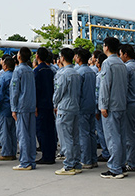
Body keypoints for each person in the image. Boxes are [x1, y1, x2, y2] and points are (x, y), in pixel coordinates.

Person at [98, 36, 128, 180]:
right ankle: (121, 165)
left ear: (107, 47)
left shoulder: (107, 63)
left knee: (112, 137)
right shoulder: (122, 63)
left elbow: (105, 85)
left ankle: (115, 168)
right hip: (121, 104)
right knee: (120, 136)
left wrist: (103, 105)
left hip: (111, 105)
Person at [53, 47, 82, 175]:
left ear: (62, 58)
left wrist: (54, 103)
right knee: (74, 137)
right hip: (75, 107)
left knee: (66, 138)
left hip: (64, 107)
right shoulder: (76, 73)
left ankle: (69, 165)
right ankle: (76, 162)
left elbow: (59, 91)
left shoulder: (63, 74)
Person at [11, 47, 37, 171]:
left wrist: (13, 108)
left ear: (19, 56)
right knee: (31, 134)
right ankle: (31, 160)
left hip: (21, 106)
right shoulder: (30, 70)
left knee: (22, 135)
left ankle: (25, 162)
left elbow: (15, 91)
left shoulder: (18, 71)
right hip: (31, 105)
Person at [119, 44, 135, 173]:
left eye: (121, 54)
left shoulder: (127, 68)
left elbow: (124, 86)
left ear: (125, 54)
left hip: (129, 103)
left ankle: (132, 162)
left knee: (129, 135)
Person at [34, 47, 57, 165]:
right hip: (49, 103)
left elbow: (35, 90)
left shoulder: (37, 71)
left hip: (41, 105)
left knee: (42, 130)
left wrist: (35, 105)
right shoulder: (50, 71)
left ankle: (46, 155)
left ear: (37, 56)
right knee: (50, 130)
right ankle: (51, 154)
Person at [75, 48, 98, 169]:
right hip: (91, 105)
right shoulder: (92, 71)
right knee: (91, 133)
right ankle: (93, 158)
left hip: (82, 106)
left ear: (79, 58)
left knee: (83, 134)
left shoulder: (79, 72)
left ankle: (86, 159)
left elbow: (77, 92)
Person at [0, 55, 17, 161]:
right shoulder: (16, 75)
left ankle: (7, 152)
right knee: (13, 131)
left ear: (5, 65)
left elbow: (0, 94)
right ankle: (13, 151)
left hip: (4, 107)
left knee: (4, 131)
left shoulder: (3, 77)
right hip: (14, 107)